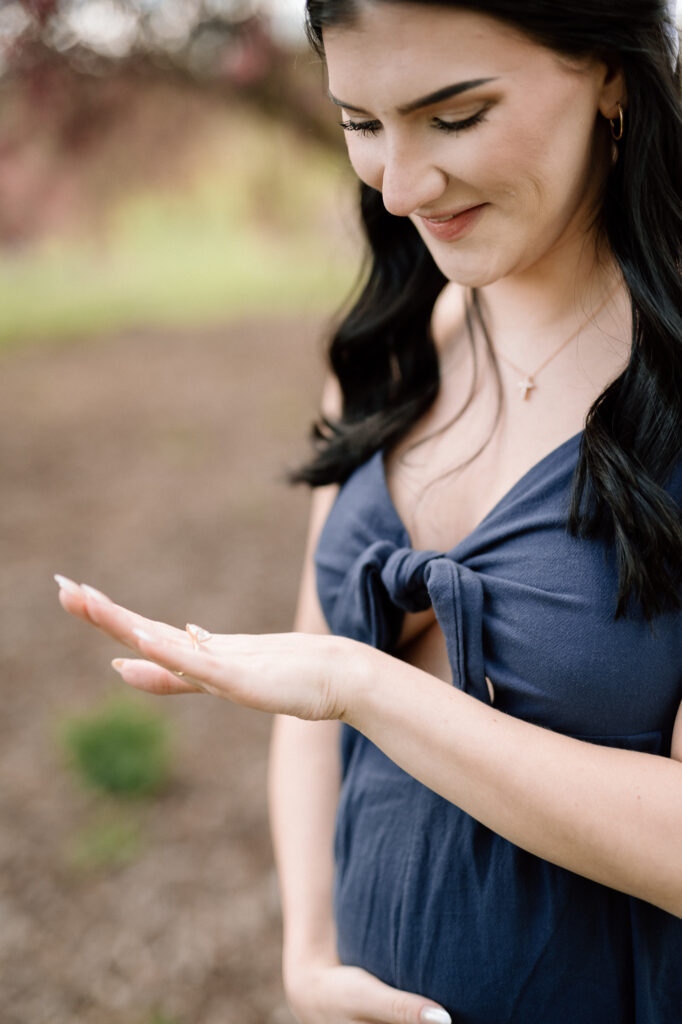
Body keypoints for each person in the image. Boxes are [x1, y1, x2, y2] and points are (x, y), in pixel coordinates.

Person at [56, 1, 682, 1021]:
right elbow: (309, 708)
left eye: (455, 115)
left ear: (609, 74)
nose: (399, 186)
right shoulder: (384, 355)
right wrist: (308, 958)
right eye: (360, 123)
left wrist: (367, 687)